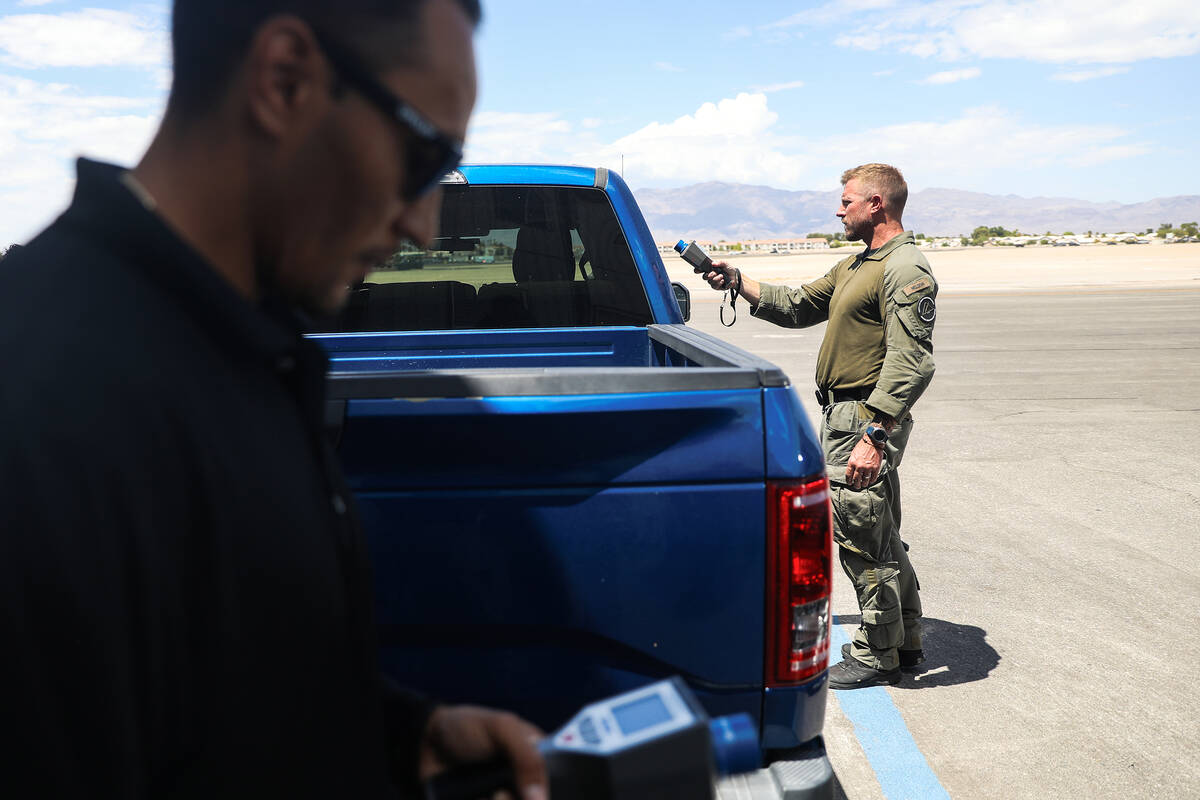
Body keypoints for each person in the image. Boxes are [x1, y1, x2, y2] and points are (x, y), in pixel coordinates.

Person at [0, 1, 548, 797]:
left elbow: (224, 691)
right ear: (285, 79)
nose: (425, 226)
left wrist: (403, 739)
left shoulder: (240, 342)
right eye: (424, 158)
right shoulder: (41, 408)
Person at [700, 164, 936, 690]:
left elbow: (911, 362)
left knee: (858, 535)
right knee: (882, 533)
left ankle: (878, 654)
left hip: (866, 418)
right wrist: (737, 280)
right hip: (848, 415)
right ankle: (907, 638)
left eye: (847, 200)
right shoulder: (858, 267)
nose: (839, 208)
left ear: (877, 204)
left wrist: (874, 437)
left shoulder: (905, 269)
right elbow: (798, 305)